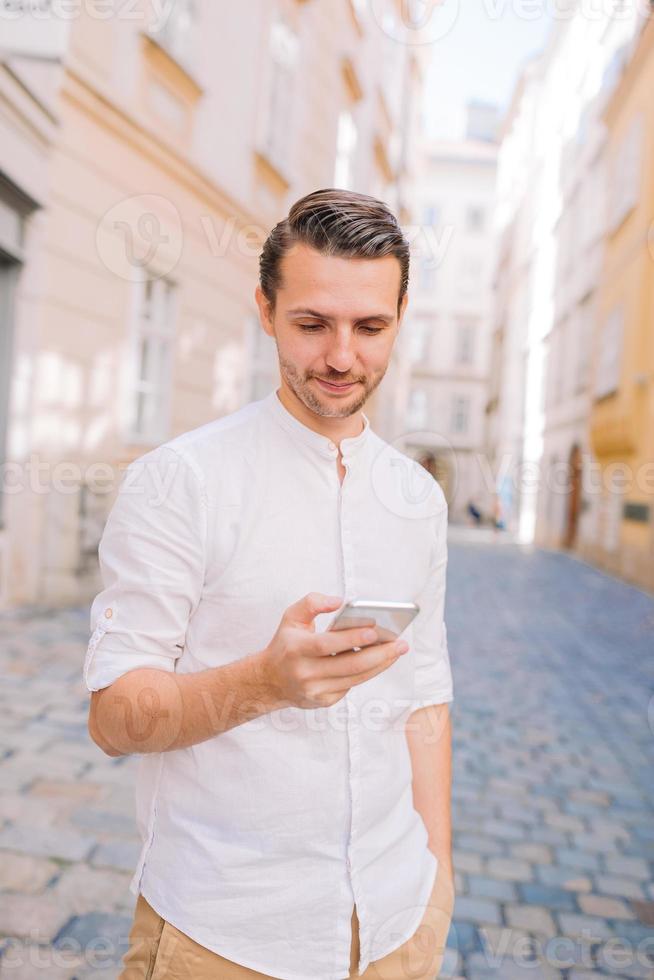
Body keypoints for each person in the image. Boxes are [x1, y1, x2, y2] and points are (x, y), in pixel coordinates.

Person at [85, 189, 455, 979]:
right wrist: (264, 682)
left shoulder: (419, 498)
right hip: (223, 935)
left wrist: (439, 879)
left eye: (370, 327)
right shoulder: (178, 482)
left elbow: (424, 693)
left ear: (400, 317)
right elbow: (114, 719)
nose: (341, 357)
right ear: (265, 309)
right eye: (312, 323)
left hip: (395, 924)